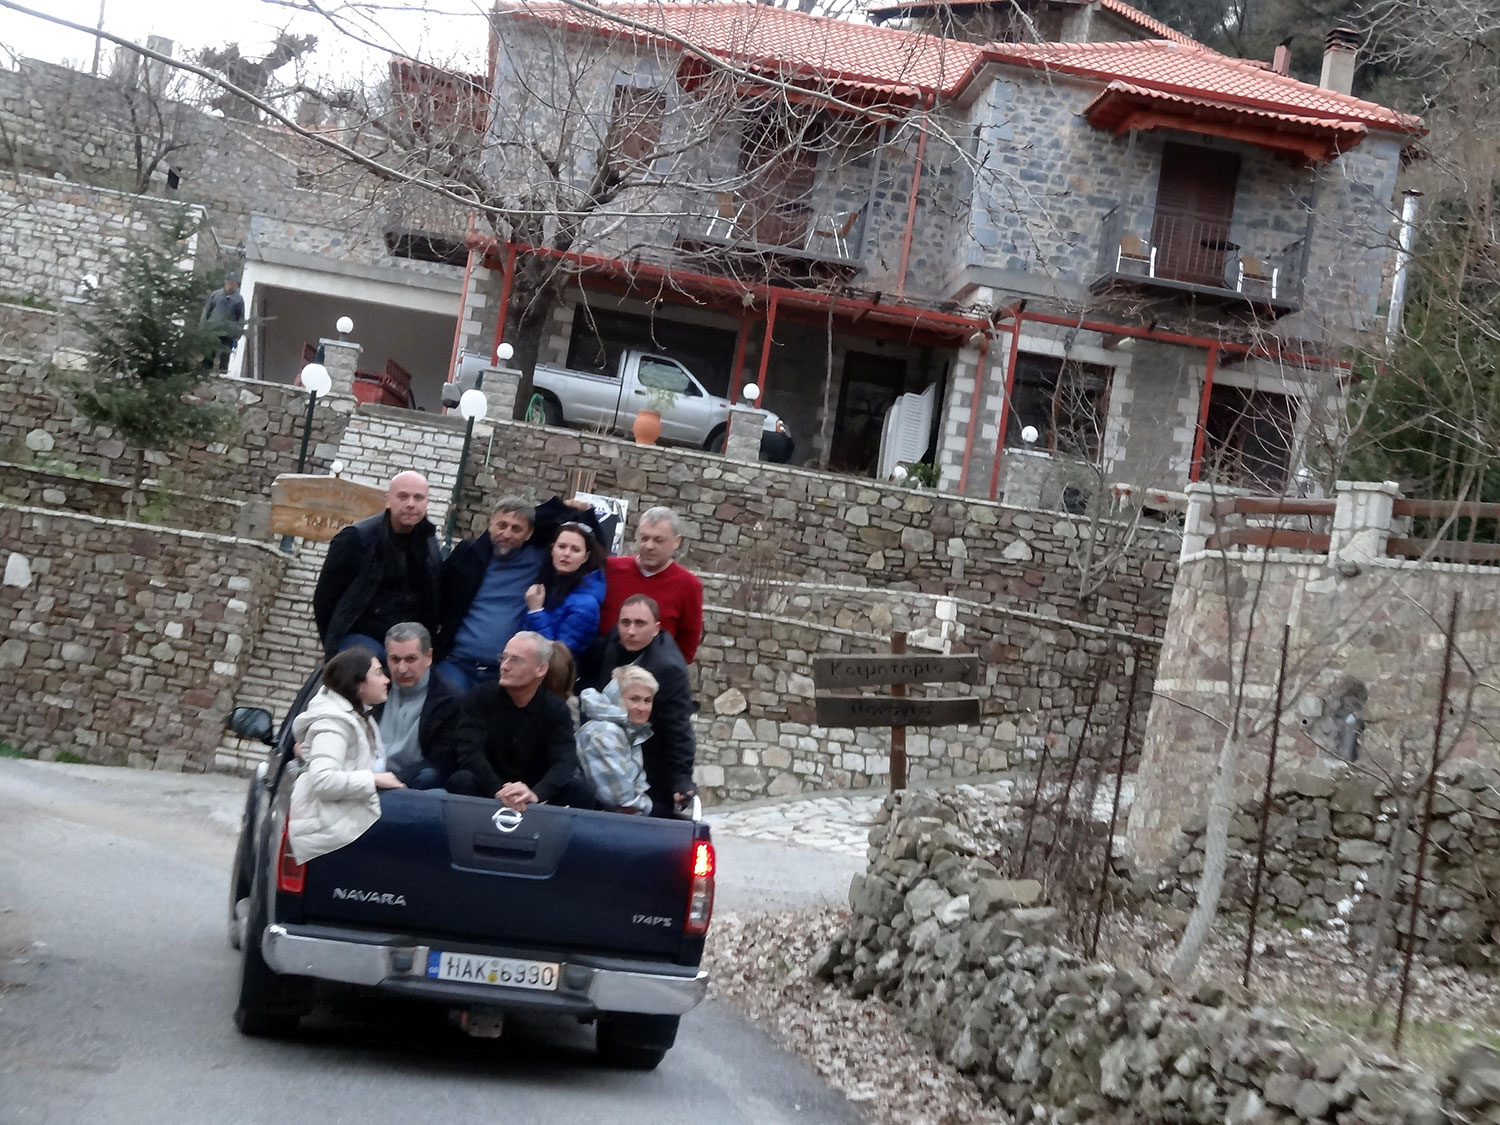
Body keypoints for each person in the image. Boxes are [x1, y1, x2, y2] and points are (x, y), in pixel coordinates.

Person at [287, 648, 406, 864]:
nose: (387, 680)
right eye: (379, 673)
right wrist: (374, 779)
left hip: (346, 824)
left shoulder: (358, 716)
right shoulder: (334, 723)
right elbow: (324, 781)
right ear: (359, 685)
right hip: (332, 833)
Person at [582, 594, 696, 817]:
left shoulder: (668, 668)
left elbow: (677, 728)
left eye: (640, 624)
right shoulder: (615, 640)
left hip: (651, 756)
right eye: (625, 623)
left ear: (656, 628)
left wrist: (681, 778)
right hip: (610, 741)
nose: (631, 631)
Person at [312, 471, 441, 659]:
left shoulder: (430, 543)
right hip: (361, 636)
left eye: (418, 498)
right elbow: (324, 599)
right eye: (403, 496)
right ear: (388, 500)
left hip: (408, 641)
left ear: (427, 503)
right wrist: (335, 648)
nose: (411, 504)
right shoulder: (356, 539)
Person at [446, 631, 579, 810]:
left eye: (515, 660)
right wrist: (499, 790)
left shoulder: (556, 709)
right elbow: (469, 752)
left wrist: (537, 793)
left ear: (540, 669)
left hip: (534, 793)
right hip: (488, 788)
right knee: (461, 780)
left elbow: (565, 761)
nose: (504, 666)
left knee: (580, 790)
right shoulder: (479, 697)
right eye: (503, 658)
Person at [435, 497, 543, 691]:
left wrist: (573, 508)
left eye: (516, 529)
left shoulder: (537, 561)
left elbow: (578, 537)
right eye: (502, 525)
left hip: (503, 670)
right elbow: (437, 595)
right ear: (490, 524)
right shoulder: (470, 553)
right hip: (456, 661)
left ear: (529, 534)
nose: (506, 534)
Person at [597, 506, 704, 663]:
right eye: (644, 538)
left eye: (658, 540)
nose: (649, 546)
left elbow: (686, 648)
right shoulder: (610, 569)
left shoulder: (689, 586)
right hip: (600, 667)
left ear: (676, 541)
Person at [371, 621, 460, 790]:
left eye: (410, 659)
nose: (402, 669)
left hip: (410, 783)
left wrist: (391, 780)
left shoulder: (449, 699)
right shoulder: (370, 686)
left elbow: (440, 760)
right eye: (395, 659)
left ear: (429, 657)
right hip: (365, 775)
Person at [575, 666, 656, 814]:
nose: (642, 708)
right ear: (616, 698)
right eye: (634, 699)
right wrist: (651, 808)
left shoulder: (629, 731)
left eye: (647, 700)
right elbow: (621, 801)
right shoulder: (603, 733)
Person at [524, 521, 607, 659]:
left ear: (585, 557)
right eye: (562, 546)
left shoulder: (586, 605)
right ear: (552, 549)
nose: (566, 554)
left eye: (575, 549)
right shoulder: (546, 583)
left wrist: (536, 612)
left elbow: (558, 657)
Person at [201, 272, 245, 373]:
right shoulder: (216, 294)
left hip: (228, 332)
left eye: (232, 283)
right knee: (209, 353)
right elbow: (207, 311)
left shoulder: (238, 299)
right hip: (213, 329)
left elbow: (240, 317)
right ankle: (204, 372)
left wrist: (238, 333)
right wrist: (203, 326)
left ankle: (222, 374)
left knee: (225, 356)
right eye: (228, 282)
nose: (230, 284)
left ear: (236, 284)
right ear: (225, 282)